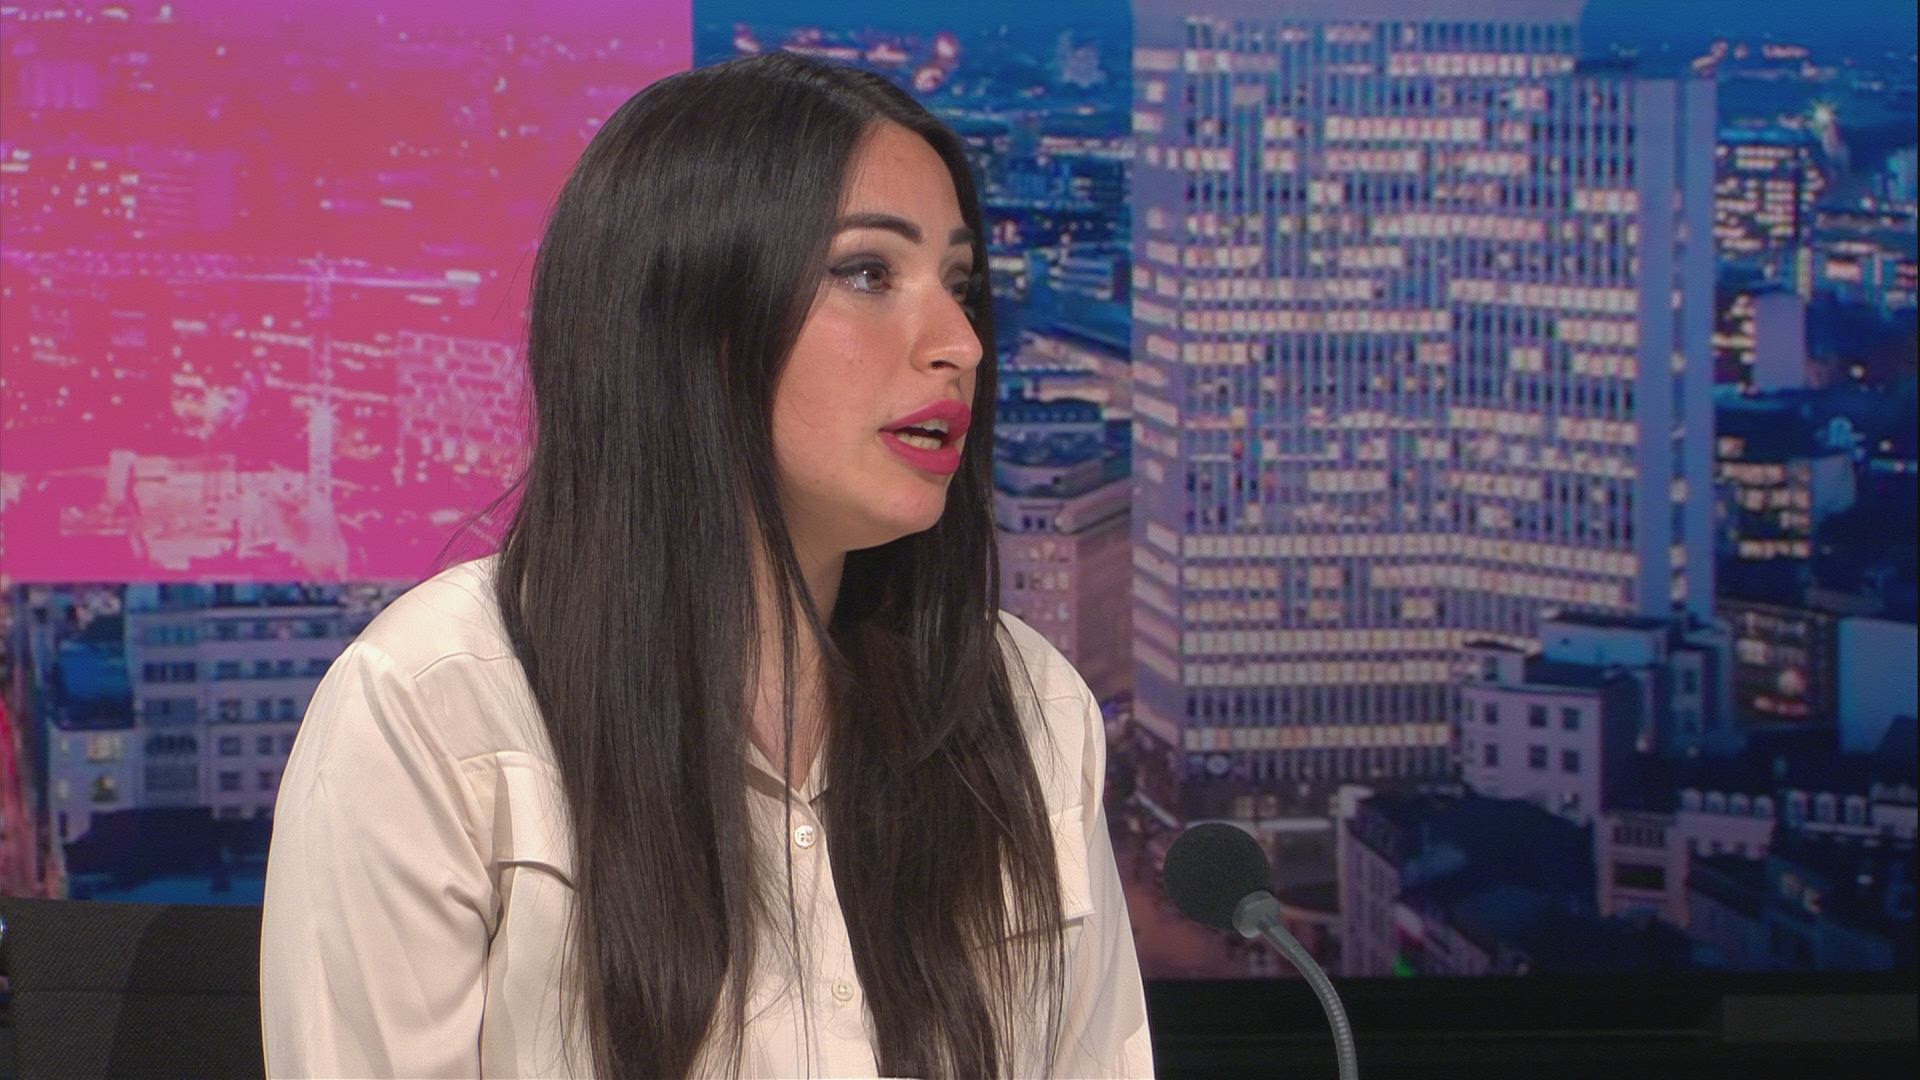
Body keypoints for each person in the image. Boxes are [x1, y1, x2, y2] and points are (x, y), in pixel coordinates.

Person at [258, 52, 1153, 1079]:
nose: (960, 343)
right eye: (869, 273)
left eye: (961, 286)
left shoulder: (1032, 707)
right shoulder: (433, 708)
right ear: (692, 321)